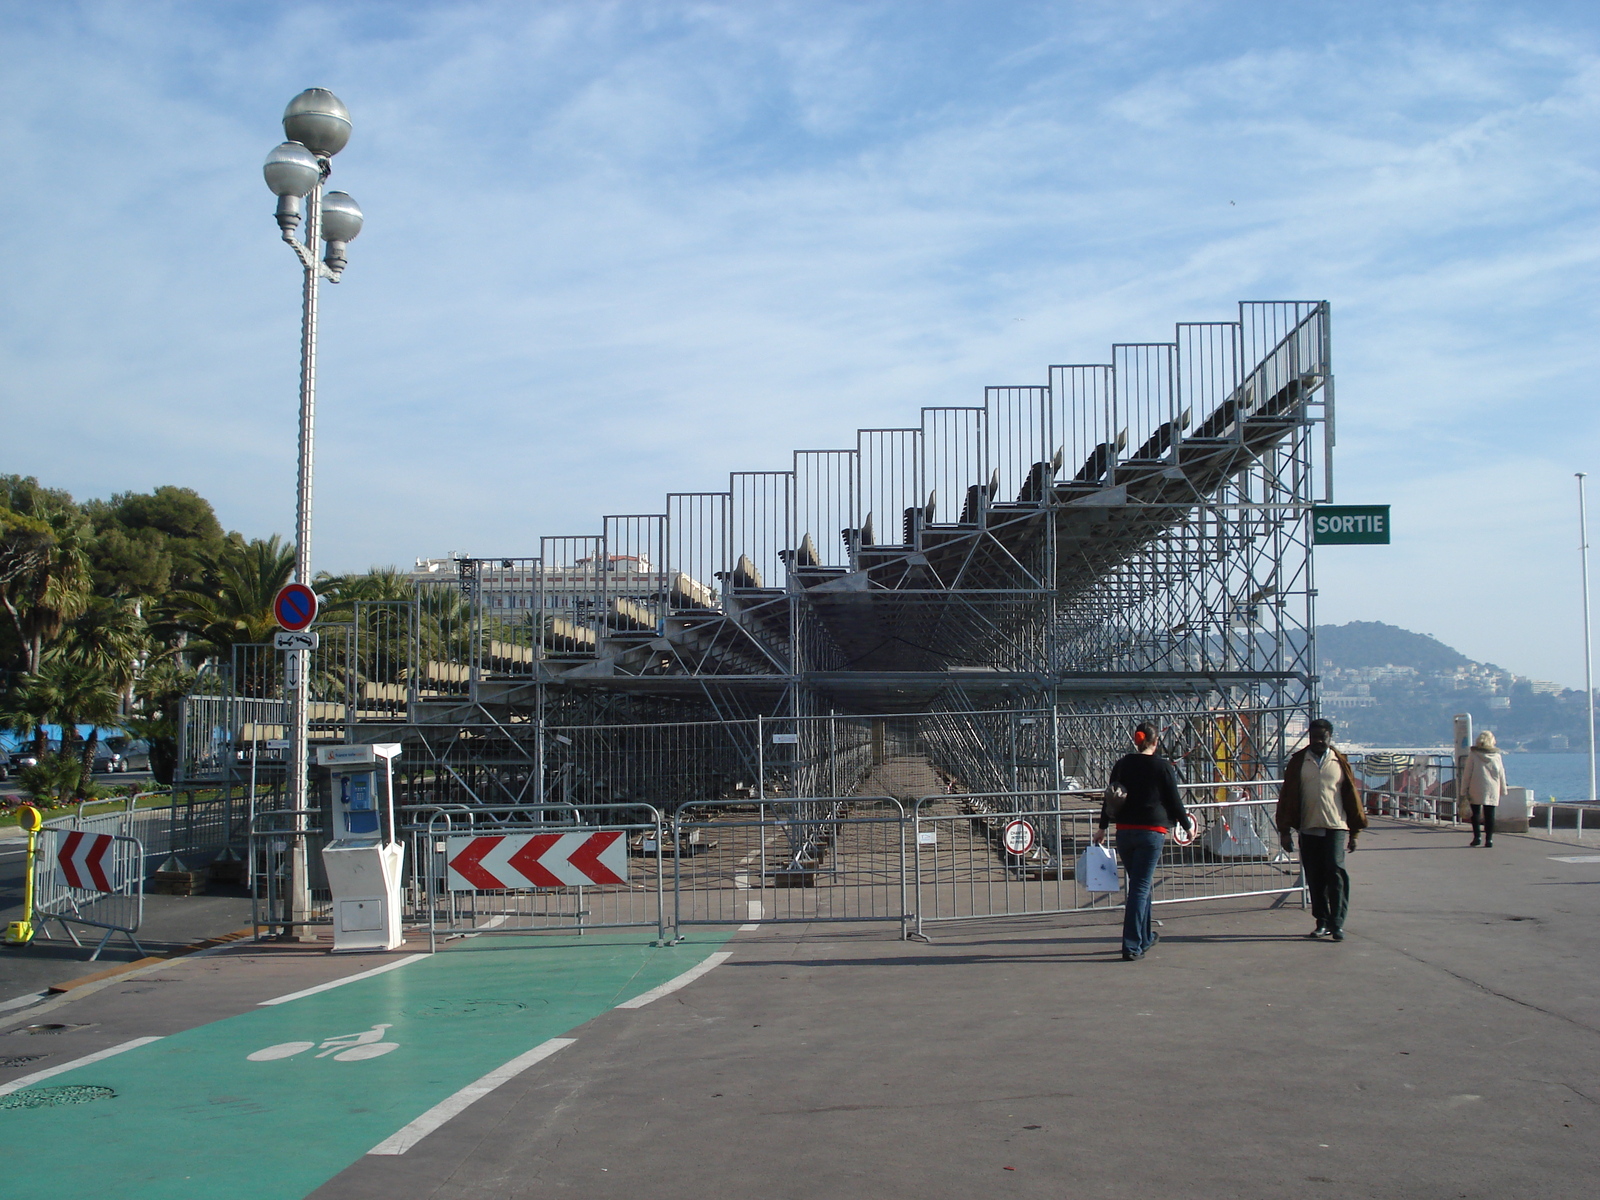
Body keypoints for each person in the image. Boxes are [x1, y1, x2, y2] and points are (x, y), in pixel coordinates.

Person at [1093, 722, 1192, 961]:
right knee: (1139, 887)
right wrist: (1187, 826)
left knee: (1140, 884)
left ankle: (1145, 936)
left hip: (1125, 831)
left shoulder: (1122, 764)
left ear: (1137, 741)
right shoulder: (1163, 767)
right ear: (1156, 742)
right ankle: (1132, 945)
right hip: (1152, 830)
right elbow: (1175, 800)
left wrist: (1103, 827)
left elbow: (1111, 795)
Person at [1276, 718, 1367, 941]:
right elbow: (1287, 796)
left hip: (1336, 826)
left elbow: (1351, 797)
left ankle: (1337, 923)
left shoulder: (1339, 761)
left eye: (1322, 737)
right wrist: (1285, 831)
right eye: (1314, 737)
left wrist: (1354, 832)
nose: (1318, 741)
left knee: (1335, 872)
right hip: (1308, 826)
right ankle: (1322, 921)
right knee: (1315, 877)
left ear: (1330, 737)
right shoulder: (1299, 761)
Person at [1459, 730, 1508, 847]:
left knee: (1475, 814)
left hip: (1475, 787)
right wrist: (1503, 789)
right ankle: (1489, 839)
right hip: (1492, 788)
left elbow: (1467, 773)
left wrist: (1463, 789)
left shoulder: (1474, 754)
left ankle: (1477, 837)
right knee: (1490, 814)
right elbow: (1501, 773)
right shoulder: (1497, 756)